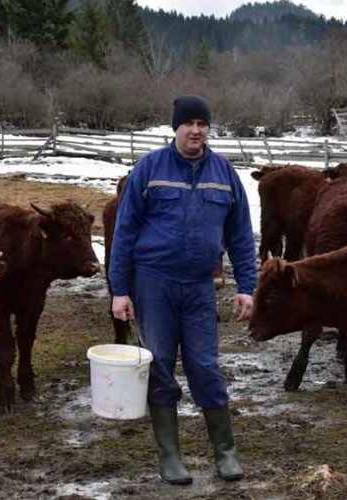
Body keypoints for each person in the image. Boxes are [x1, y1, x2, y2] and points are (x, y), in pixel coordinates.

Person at [109, 95, 256, 485]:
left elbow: (240, 233)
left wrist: (247, 286)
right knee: (158, 363)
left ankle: (226, 452)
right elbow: (124, 231)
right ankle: (170, 458)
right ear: (175, 127)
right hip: (153, 282)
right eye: (188, 123)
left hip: (199, 285)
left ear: (209, 128)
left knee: (205, 365)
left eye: (202, 124)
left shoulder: (223, 172)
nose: (195, 130)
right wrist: (119, 289)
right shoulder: (150, 168)